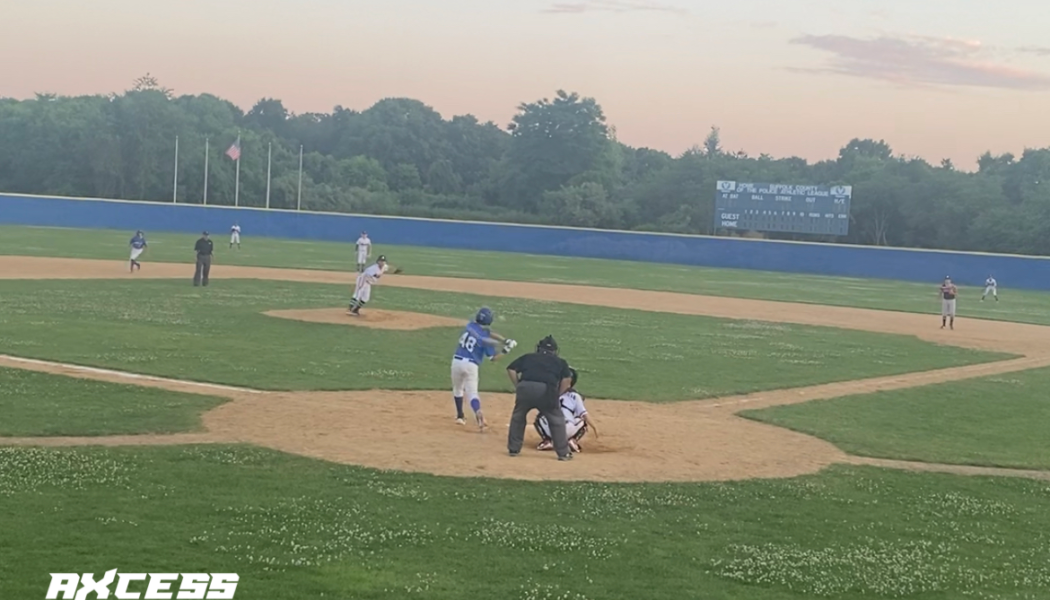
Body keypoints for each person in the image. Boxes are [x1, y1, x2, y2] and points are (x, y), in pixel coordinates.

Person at [505, 335, 575, 461]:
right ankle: (563, 453)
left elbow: (511, 369)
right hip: (546, 390)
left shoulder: (528, 357)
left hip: (525, 388)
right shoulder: (560, 362)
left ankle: (513, 449)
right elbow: (567, 379)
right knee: (556, 420)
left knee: (518, 417)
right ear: (554, 351)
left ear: (538, 348)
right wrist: (557, 394)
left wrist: (518, 385)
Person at [450, 307, 517, 429]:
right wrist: (506, 349)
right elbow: (493, 358)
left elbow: (488, 333)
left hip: (457, 361)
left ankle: (460, 416)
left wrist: (504, 340)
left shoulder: (470, 326)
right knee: (472, 393)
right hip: (471, 366)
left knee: (458, 389)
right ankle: (478, 413)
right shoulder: (485, 340)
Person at [535, 368, 598, 453]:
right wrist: (595, 428)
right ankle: (573, 441)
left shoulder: (549, 393)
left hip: (551, 430)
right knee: (581, 419)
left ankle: (548, 441)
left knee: (539, 417)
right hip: (568, 430)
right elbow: (585, 414)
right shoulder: (575, 396)